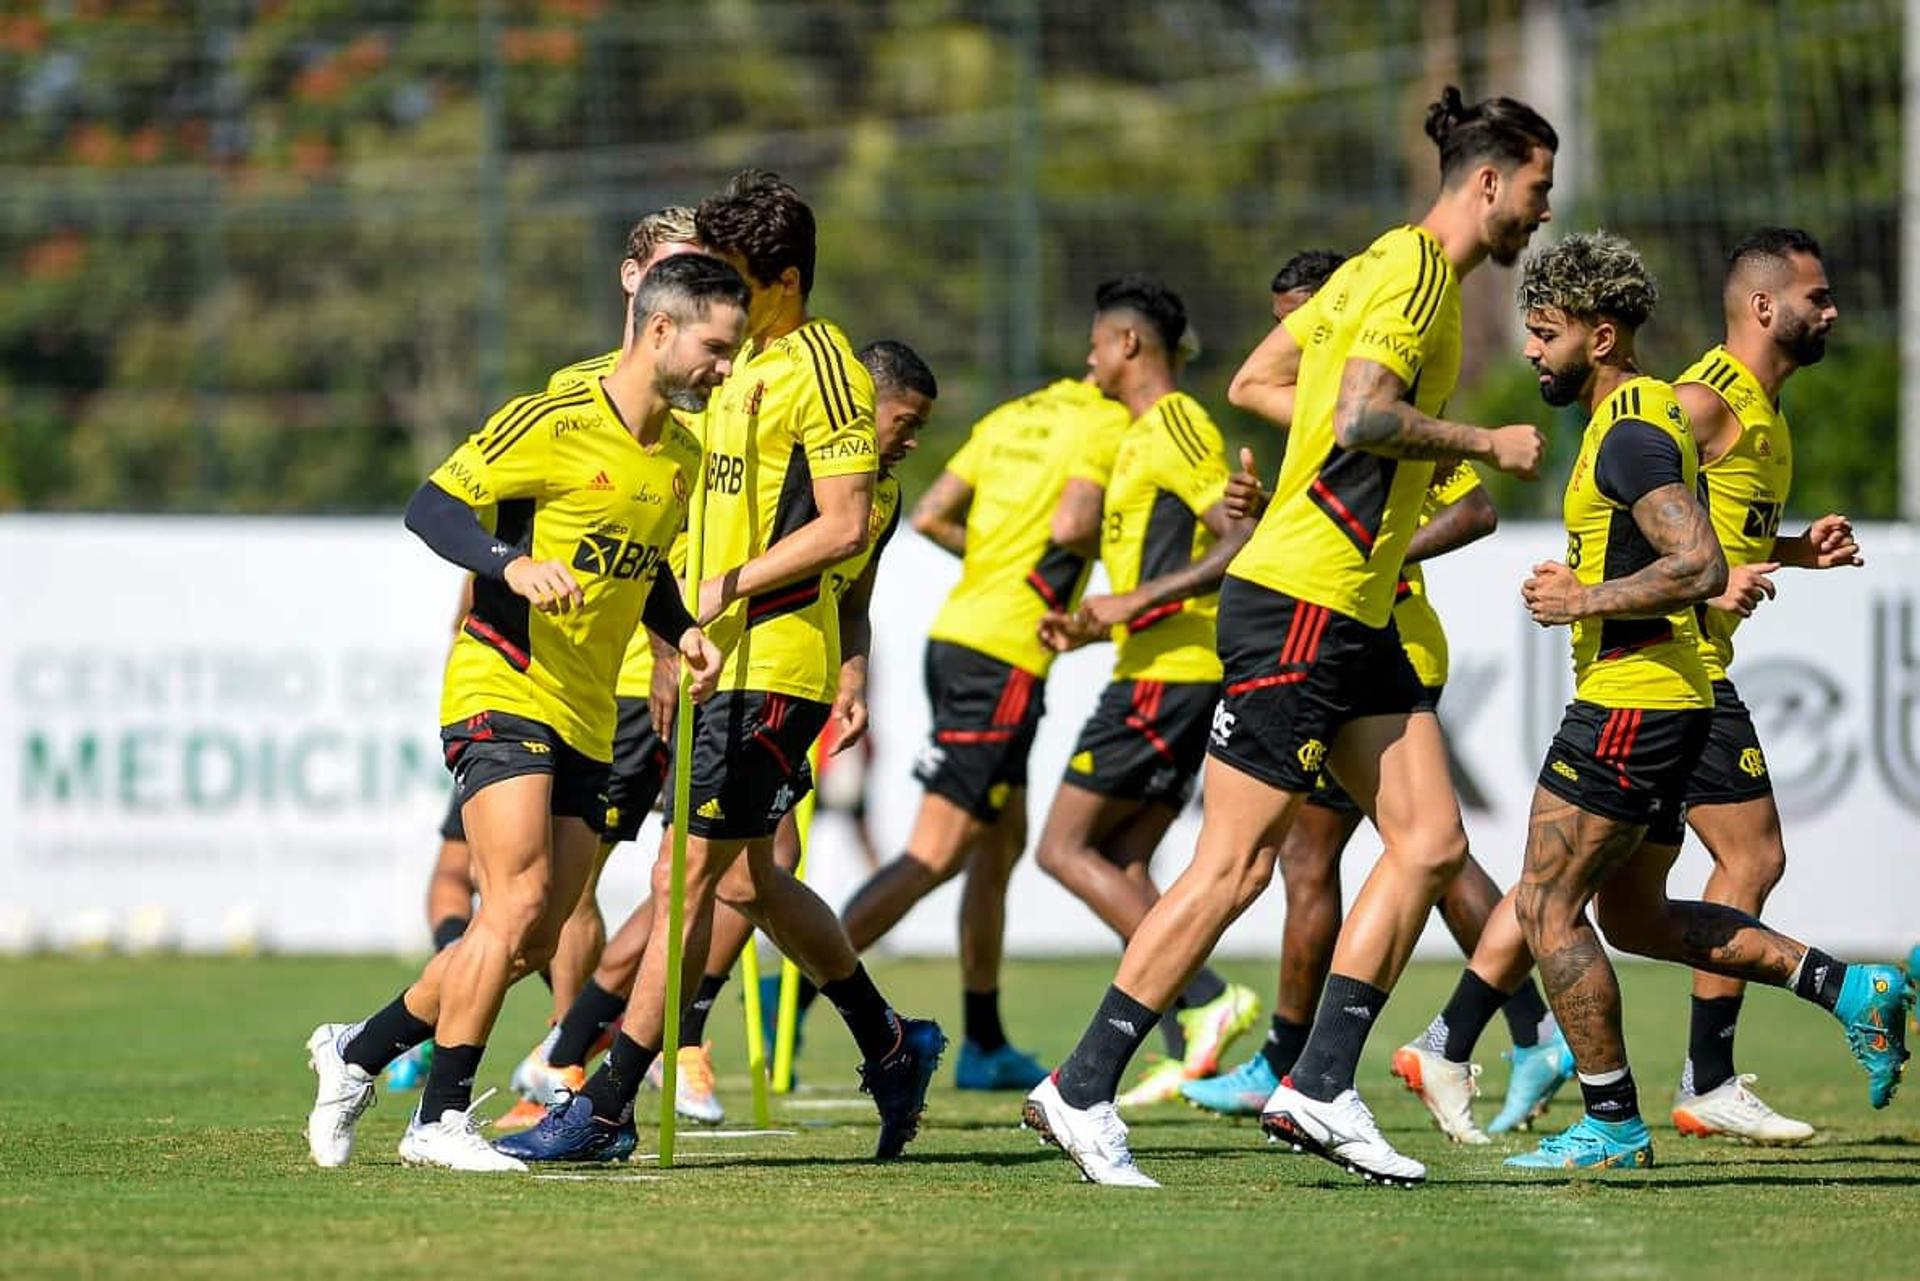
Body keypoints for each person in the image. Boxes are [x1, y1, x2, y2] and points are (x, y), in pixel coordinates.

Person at [1022, 86, 1555, 1188]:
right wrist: (1481, 441)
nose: (1542, 215)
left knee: (1432, 842)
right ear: (1492, 181)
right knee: (1235, 867)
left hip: (1347, 604)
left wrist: (1323, 449)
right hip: (1307, 596)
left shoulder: (1373, 266)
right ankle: (1080, 1088)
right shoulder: (1411, 280)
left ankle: (1318, 1085)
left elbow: (1261, 380)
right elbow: (1362, 414)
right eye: (1540, 192)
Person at [1407, 228, 1887, 1151]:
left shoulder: (1631, 426)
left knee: (1549, 905)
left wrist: (1580, 596)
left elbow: (1698, 562)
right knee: (1632, 914)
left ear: (1596, 336)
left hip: (1634, 700)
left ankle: (1605, 1113)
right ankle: (1841, 986)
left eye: (1544, 332)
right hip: (1662, 694)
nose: (1532, 351)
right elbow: (1701, 553)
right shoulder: (1640, 418)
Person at [499, 172, 944, 1164]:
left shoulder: (826, 369)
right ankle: (892, 1044)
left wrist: (723, 588)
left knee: (686, 872)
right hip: (712, 664)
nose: (716, 294)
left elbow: (842, 528)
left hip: (775, 666)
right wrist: (669, 635)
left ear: (784, 279)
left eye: (737, 277)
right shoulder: (734, 365)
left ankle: (601, 1102)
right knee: (748, 882)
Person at [303, 252, 742, 1172]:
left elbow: (646, 563)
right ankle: (439, 1120)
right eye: (715, 347)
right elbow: (431, 506)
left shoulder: (684, 455)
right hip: (502, 683)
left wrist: (680, 632)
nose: (725, 368)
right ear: (660, 329)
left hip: (587, 709)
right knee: (517, 899)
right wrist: (508, 563)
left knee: (537, 934)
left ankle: (355, 1050)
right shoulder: (556, 419)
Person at [1180, 251, 1560, 1143]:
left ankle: (1299, 1059)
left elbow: (1475, 510)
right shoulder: (1321, 416)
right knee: (1402, 848)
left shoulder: (1393, 398)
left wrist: (1382, 557)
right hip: (1339, 640)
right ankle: (1508, 1034)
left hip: (1377, 645)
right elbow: (1310, 510)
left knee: (1375, 853)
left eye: (1300, 321)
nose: (1291, 340)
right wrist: (1260, 506)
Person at [772, 366, 1132, 1091]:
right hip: (1002, 655)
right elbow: (1072, 525)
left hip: (966, 638)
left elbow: (936, 512)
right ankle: (800, 995)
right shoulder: (1109, 425)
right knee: (934, 853)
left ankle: (986, 1038)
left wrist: (995, 563)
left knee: (998, 847)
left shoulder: (1014, 413)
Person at [1029, 274, 1259, 1110]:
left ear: (1129, 345)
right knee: (1123, 860)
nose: (1088, 357)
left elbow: (1239, 539)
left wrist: (1131, 604)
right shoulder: (1133, 436)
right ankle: (1186, 1032)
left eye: (1097, 341)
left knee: (1062, 847)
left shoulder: (1176, 423)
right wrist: (1099, 620)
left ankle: (1203, 997)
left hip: (1171, 675)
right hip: (1152, 665)